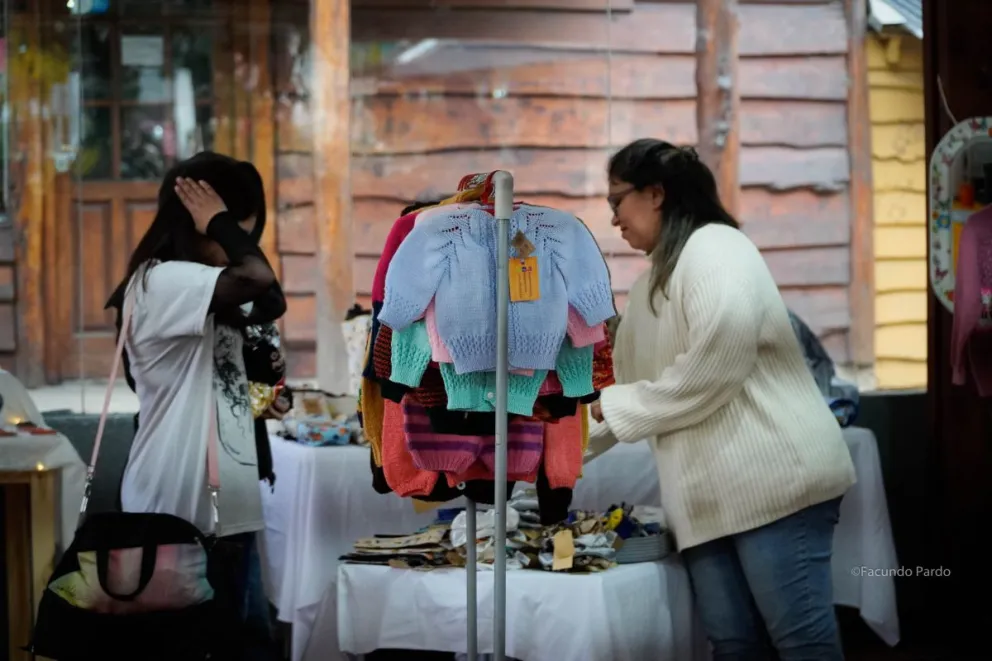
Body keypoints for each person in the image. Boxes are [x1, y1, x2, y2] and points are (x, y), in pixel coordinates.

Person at [586, 138, 857, 660]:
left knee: (802, 645)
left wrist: (612, 408)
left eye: (617, 200)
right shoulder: (647, 289)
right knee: (734, 647)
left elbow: (709, 374)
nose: (613, 218)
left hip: (776, 484)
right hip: (705, 502)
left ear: (657, 193)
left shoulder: (719, 249)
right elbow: (624, 395)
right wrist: (542, 455)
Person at [105, 152, 285, 660]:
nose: (233, 251)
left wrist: (224, 227)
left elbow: (271, 301)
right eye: (225, 235)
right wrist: (221, 220)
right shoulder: (162, 282)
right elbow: (256, 277)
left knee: (247, 640)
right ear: (195, 223)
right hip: (177, 510)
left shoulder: (201, 290)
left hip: (228, 506)